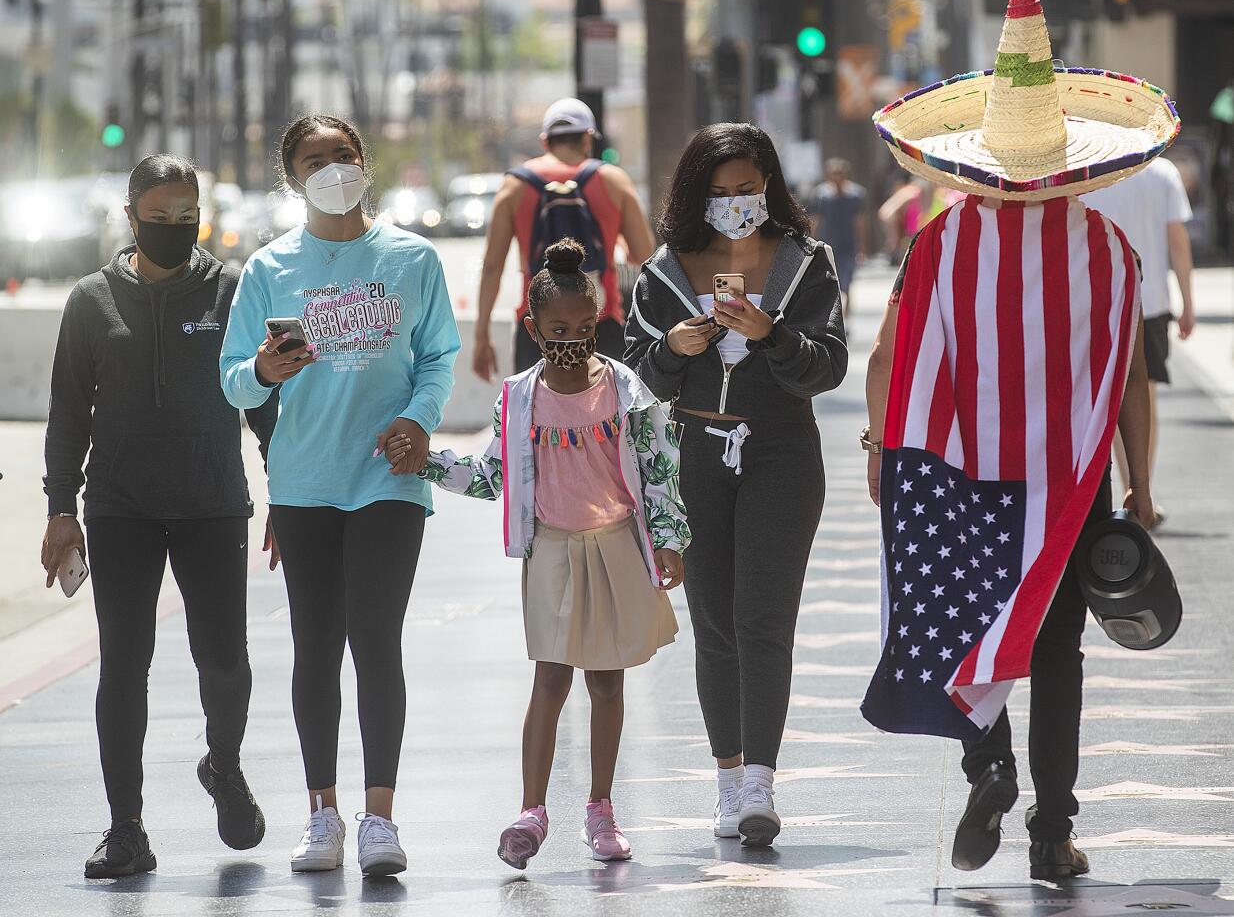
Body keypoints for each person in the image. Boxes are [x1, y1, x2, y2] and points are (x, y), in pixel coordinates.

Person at [861, 0, 1168, 880]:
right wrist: (1139, 485)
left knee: (968, 617)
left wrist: (884, 449)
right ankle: (1052, 829)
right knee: (1058, 649)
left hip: (961, 476)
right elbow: (1130, 383)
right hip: (1069, 485)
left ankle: (986, 764)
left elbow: (889, 358)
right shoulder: (1110, 249)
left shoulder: (939, 243)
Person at [220, 114, 461, 877]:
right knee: (316, 645)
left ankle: (378, 820)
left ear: (365, 164)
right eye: (314, 159)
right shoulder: (268, 268)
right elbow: (231, 380)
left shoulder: (411, 258)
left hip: (388, 478)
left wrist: (417, 423)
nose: (331, 168)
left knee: (375, 640)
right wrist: (264, 371)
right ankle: (320, 813)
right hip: (305, 482)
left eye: (342, 155)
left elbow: (439, 359)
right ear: (292, 178)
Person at [413, 238, 687, 869]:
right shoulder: (519, 397)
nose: (573, 339)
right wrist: (424, 459)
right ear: (532, 327)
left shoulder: (624, 388)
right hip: (553, 552)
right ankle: (531, 812)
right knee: (550, 676)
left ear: (600, 324)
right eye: (559, 329)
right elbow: (490, 476)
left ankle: (600, 807)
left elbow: (657, 467)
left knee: (608, 682)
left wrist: (671, 541)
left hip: (617, 544)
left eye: (586, 327)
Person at [41, 154, 276, 879]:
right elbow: (66, 413)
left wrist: (286, 491)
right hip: (120, 509)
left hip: (211, 502)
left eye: (186, 216)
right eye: (160, 215)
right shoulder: (90, 300)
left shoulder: (233, 292)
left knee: (225, 659)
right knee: (124, 667)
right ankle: (126, 829)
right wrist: (59, 509)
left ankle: (225, 764)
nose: (174, 228)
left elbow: (264, 400)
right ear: (131, 215)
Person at [625, 123, 848, 847]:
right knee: (715, 623)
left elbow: (828, 365)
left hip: (781, 449)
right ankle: (727, 780)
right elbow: (633, 379)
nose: (735, 206)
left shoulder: (806, 264)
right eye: (720, 194)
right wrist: (673, 346)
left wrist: (770, 333)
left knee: (763, 618)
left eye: (747, 191)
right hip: (695, 452)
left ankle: (761, 782)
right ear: (696, 196)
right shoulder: (663, 271)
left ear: (769, 187)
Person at [472, 98, 656, 380]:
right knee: (607, 420)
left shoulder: (514, 186)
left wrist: (482, 335)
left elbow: (492, 266)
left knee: (533, 418)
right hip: (600, 324)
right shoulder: (614, 181)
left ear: (545, 142)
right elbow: (643, 256)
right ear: (587, 139)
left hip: (536, 327)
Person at [1083, 157, 1195, 523]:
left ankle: (1129, 482)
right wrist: (1187, 302)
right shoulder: (1163, 172)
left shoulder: (1093, 169)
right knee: (1145, 393)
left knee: (1111, 398)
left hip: (1099, 298)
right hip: (1153, 301)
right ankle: (1142, 488)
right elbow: (1177, 241)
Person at [807, 158, 867, 315]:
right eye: (834, 174)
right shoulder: (821, 195)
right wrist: (810, 242)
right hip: (828, 241)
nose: (837, 177)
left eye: (839, 173)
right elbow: (815, 219)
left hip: (848, 242)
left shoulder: (856, 195)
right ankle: (834, 314)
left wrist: (861, 245)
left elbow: (859, 221)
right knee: (830, 279)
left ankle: (846, 315)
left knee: (847, 280)